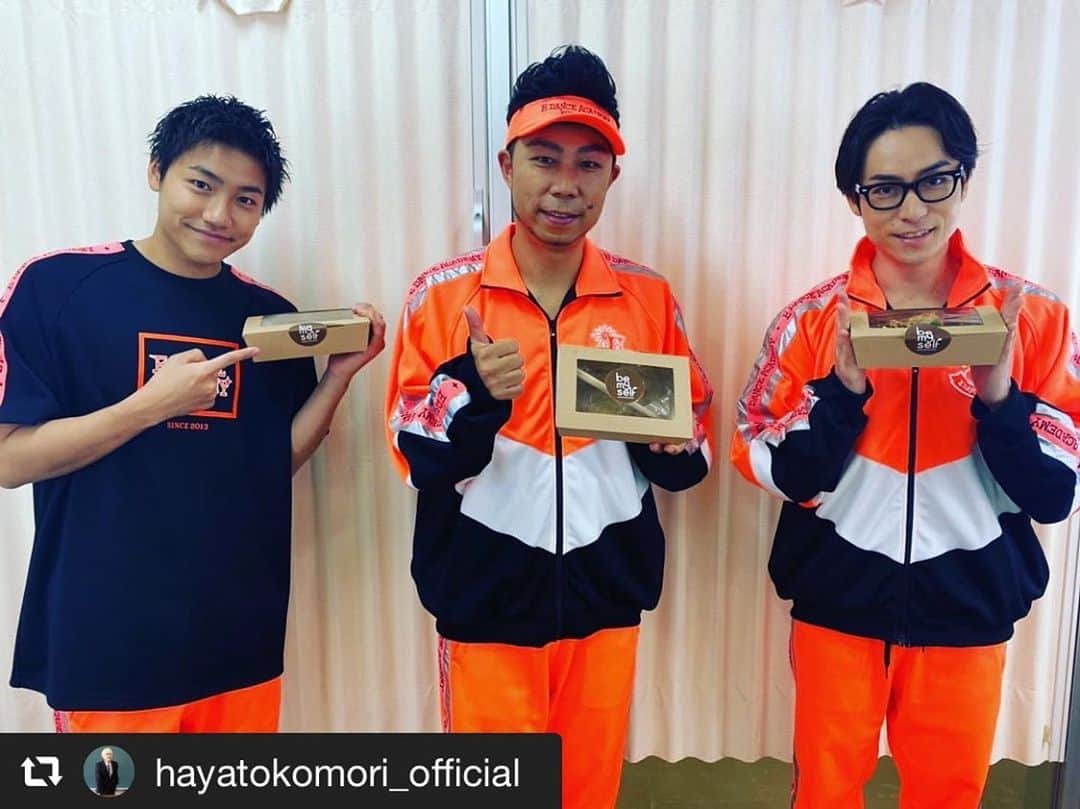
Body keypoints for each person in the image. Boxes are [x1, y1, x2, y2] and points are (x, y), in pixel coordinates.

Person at [731, 82, 1080, 808]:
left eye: (934, 181)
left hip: (970, 605)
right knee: (825, 791)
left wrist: (1000, 401)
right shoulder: (811, 322)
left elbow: (1057, 493)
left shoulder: (1034, 318)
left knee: (949, 794)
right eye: (885, 190)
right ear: (854, 200)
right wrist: (840, 395)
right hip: (837, 606)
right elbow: (768, 462)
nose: (913, 210)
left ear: (963, 180)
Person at [385, 45, 713, 809]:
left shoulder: (646, 297)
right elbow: (411, 451)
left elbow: (690, 440)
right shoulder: (444, 295)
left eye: (588, 164)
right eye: (544, 159)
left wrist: (668, 446)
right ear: (507, 165)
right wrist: (471, 391)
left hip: (606, 603)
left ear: (612, 176)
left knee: (588, 793)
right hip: (483, 607)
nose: (566, 185)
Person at [0, 95, 386, 732]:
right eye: (201, 185)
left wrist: (339, 377)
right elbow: (10, 460)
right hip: (109, 646)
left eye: (245, 199)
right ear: (157, 171)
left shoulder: (269, 318)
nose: (218, 215)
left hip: (238, 639)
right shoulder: (56, 288)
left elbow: (273, 465)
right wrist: (147, 407)